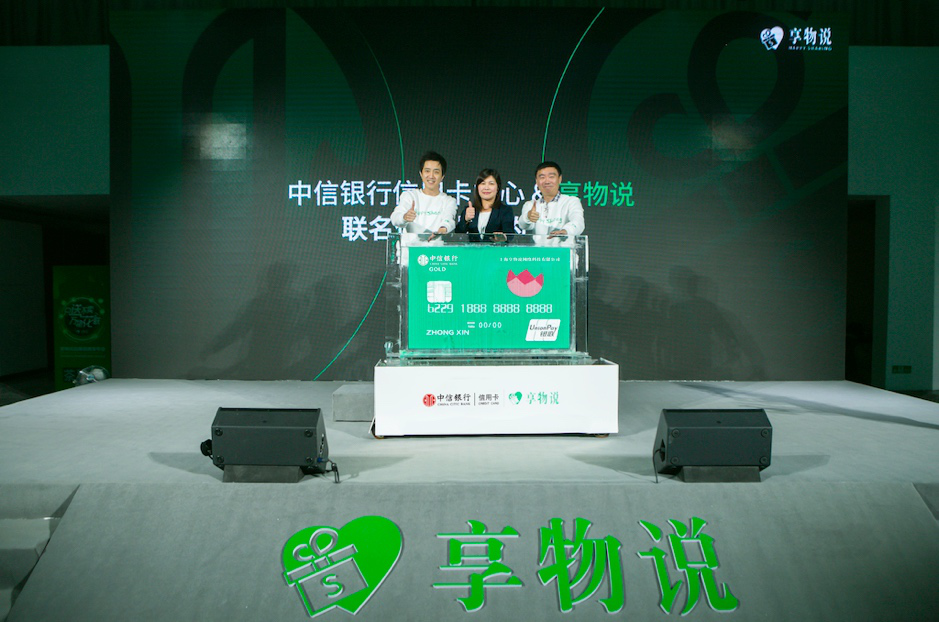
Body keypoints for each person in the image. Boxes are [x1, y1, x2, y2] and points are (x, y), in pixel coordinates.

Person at [390, 151, 457, 241]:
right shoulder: (410, 196)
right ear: (421, 174)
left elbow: (449, 219)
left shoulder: (449, 201)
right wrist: (405, 217)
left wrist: (443, 228)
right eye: (427, 171)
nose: (431, 176)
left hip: (436, 249)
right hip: (411, 248)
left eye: (436, 172)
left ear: (442, 176)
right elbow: (395, 218)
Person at [519, 161, 585, 244]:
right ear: (537, 181)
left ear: (559, 179)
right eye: (542, 177)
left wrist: (565, 231)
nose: (547, 181)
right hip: (539, 251)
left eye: (551, 177)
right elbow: (523, 225)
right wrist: (528, 217)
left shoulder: (571, 201)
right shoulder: (530, 205)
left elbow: (578, 222)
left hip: (563, 251)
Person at [455, 168, 515, 242]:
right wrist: (466, 220)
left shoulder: (505, 211)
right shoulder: (470, 210)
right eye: (483, 183)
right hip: (473, 249)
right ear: (477, 187)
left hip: (495, 249)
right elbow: (458, 233)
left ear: (498, 188)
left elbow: (510, 234)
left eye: (491, 184)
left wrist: (503, 238)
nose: (486, 188)